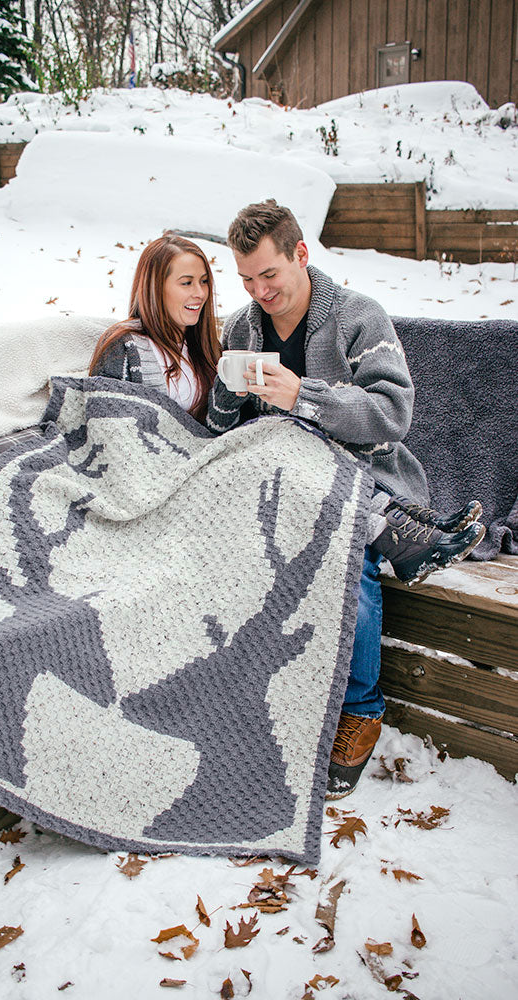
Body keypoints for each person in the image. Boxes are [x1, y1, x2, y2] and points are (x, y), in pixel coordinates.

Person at [206, 199, 485, 799]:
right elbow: (227, 432)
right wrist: (227, 397)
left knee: (340, 550)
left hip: (365, 478)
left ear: (300, 254)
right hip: (279, 487)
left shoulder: (358, 317)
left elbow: (392, 414)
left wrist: (303, 396)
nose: (260, 292)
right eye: (247, 279)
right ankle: (397, 538)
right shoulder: (242, 330)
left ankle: (360, 711)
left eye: (269, 275)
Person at [88, 232, 219, 421]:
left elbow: (218, 427)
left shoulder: (207, 348)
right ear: (155, 288)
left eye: (204, 281)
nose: (200, 293)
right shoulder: (123, 347)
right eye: (186, 283)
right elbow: (102, 422)